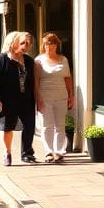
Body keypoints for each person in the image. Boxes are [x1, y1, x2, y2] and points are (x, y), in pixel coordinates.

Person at [0, 31, 37, 166]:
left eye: (27, 43)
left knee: (29, 126)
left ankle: (27, 153)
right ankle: (7, 152)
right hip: (7, 101)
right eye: (23, 43)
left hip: (26, 100)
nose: (26, 46)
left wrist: (36, 98)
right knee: (7, 128)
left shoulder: (28, 60)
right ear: (13, 43)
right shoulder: (2, 59)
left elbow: (32, 81)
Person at [34, 32, 74, 163]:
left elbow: (68, 78)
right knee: (46, 126)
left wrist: (71, 95)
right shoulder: (39, 60)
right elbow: (36, 81)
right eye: (46, 44)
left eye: (51, 43)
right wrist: (38, 98)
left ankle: (59, 151)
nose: (48, 46)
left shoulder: (64, 60)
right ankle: (48, 152)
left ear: (56, 45)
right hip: (45, 97)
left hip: (61, 97)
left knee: (60, 125)